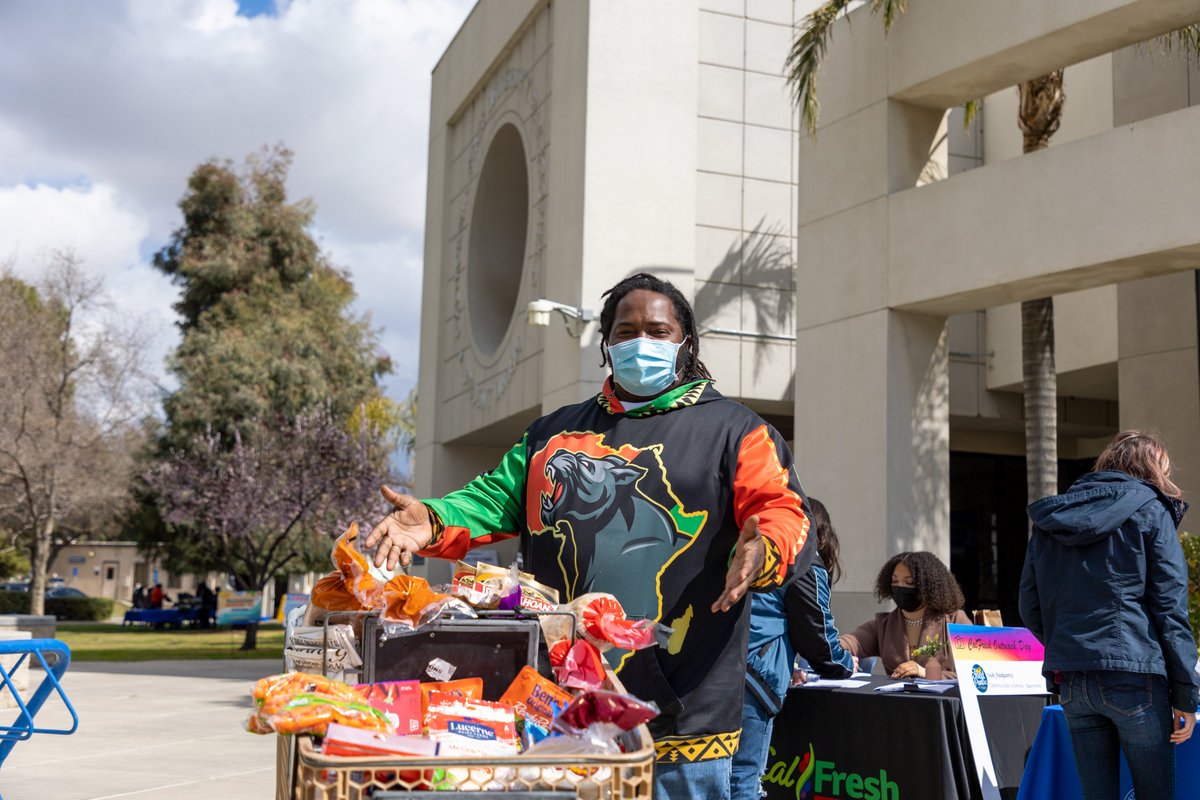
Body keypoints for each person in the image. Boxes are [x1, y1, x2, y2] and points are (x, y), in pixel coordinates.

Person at [367, 273, 811, 799]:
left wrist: (765, 548)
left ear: (686, 344)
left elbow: (781, 509)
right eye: (625, 332)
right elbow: (491, 500)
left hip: (686, 714)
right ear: (605, 345)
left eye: (658, 331)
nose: (640, 343)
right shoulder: (550, 435)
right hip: (560, 706)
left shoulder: (737, 431)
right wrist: (434, 519)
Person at [1020, 430, 1198, 800]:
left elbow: (1030, 605)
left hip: (1072, 678)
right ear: (1152, 468)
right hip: (1134, 677)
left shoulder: (1055, 515)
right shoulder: (1151, 509)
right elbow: (1170, 607)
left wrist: (1068, 645)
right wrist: (1186, 695)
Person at [732, 497, 854, 800]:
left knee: (710, 774)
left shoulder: (742, 547)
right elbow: (818, 638)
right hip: (751, 678)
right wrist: (846, 664)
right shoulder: (802, 559)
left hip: (714, 668)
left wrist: (789, 665)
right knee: (743, 778)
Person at [840, 551, 970, 679]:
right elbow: (846, 643)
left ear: (928, 587)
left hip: (944, 699)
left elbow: (982, 672)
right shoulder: (883, 625)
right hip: (899, 700)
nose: (900, 587)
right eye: (894, 581)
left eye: (909, 583)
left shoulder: (957, 620)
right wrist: (841, 658)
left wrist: (925, 673)